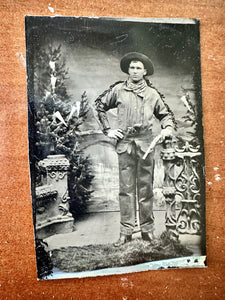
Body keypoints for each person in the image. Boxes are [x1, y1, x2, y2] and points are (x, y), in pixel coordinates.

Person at [95, 52, 174, 246]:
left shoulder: (152, 94)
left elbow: (165, 115)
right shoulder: (118, 90)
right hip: (125, 144)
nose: (135, 71)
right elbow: (99, 106)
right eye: (132, 67)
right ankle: (126, 232)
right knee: (126, 189)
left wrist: (167, 128)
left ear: (145, 71)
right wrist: (108, 130)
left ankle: (147, 231)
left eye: (139, 68)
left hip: (146, 145)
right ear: (127, 70)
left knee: (146, 189)